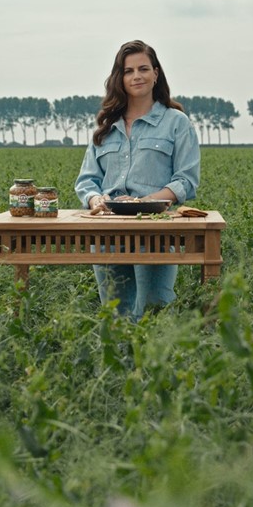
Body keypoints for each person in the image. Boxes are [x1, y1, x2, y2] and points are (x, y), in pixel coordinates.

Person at [74, 40, 201, 320]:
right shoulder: (106, 127)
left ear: (156, 74)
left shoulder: (176, 123)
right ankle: (122, 362)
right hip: (107, 233)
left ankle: (155, 364)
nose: (136, 76)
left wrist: (143, 202)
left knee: (155, 309)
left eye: (143, 68)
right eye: (128, 70)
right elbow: (86, 180)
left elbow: (186, 180)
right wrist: (97, 199)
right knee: (115, 313)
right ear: (120, 78)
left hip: (154, 232)